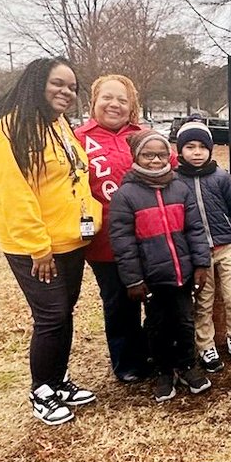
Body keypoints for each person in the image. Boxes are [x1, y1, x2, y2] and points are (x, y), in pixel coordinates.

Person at [0, 57, 99, 426]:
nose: (66, 92)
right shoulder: (10, 129)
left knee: (64, 313)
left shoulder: (58, 125)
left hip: (70, 240)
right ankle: (41, 390)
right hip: (35, 246)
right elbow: (16, 194)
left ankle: (58, 381)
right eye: (57, 84)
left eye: (71, 87)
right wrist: (38, 246)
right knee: (51, 316)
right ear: (36, 83)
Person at [108, 129, 212, 403]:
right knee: (157, 325)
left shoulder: (180, 187)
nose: (155, 160)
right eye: (148, 155)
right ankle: (163, 372)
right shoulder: (125, 195)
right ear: (136, 156)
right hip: (152, 278)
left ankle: (187, 366)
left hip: (183, 274)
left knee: (185, 322)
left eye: (161, 154)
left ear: (170, 155)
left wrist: (201, 264)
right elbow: (123, 242)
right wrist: (133, 280)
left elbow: (195, 230)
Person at [75, 75, 151, 382]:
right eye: (108, 97)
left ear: (131, 105)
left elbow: (171, 168)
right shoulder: (78, 139)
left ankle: (152, 351)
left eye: (122, 99)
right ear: (93, 102)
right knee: (119, 303)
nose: (115, 105)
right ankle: (127, 364)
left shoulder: (143, 136)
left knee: (157, 298)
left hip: (149, 237)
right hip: (105, 242)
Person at [174, 116, 231, 371]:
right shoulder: (174, 182)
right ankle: (206, 346)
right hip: (198, 254)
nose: (197, 152)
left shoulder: (221, 178)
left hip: (226, 247)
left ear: (210, 149)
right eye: (190, 147)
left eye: (202, 147)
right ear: (180, 150)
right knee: (203, 302)